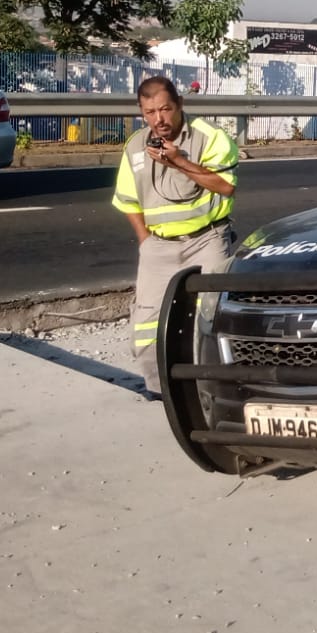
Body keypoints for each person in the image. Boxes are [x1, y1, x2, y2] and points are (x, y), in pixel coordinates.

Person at [111, 77, 239, 399]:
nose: (159, 119)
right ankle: (160, 392)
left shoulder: (209, 138)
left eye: (166, 109)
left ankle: (216, 390)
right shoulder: (135, 147)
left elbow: (225, 186)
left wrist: (179, 161)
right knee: (145, 326)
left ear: (180, 104)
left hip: (206, 240)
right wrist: (145, 241)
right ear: (142, 113)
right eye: (150, 112)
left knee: (212, 315)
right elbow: (128, 201)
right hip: (159, 247)